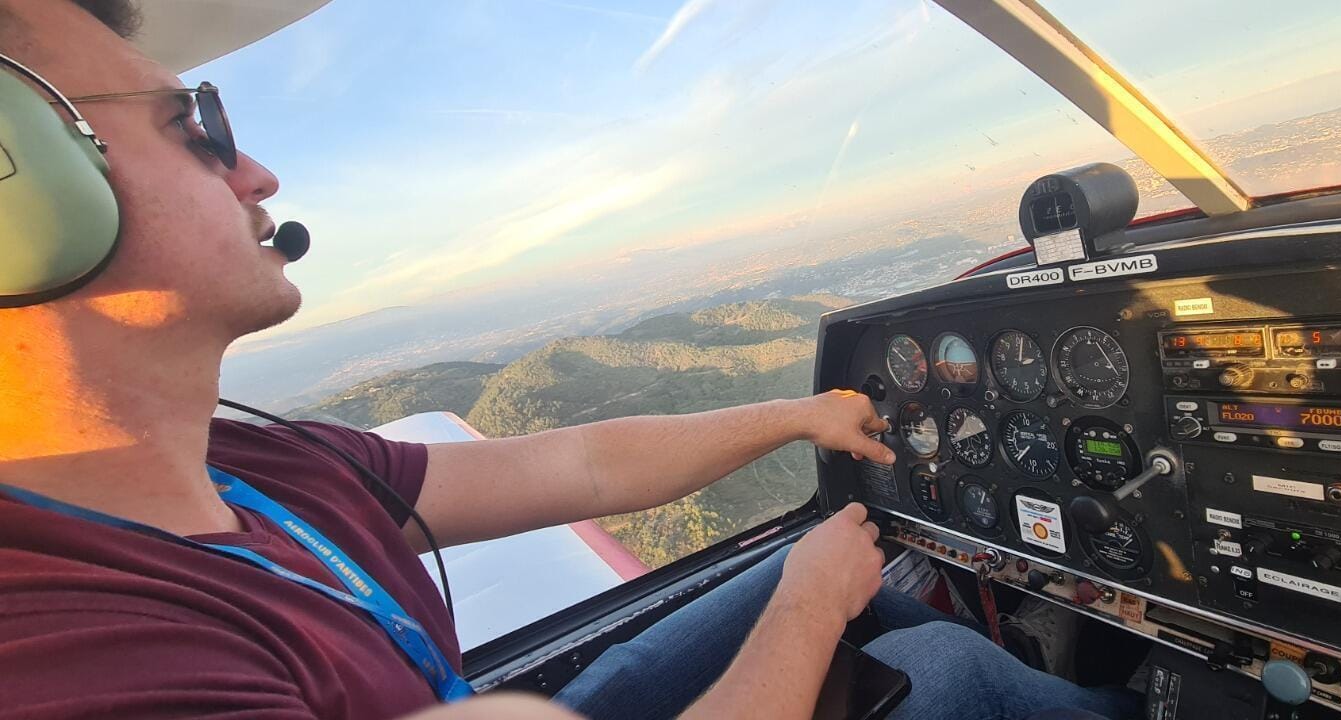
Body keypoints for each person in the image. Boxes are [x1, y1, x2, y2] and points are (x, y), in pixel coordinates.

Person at [0, 2, 1139, 718]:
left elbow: (588, 468)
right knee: (935, 670)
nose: (259, 179)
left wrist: (798, 419)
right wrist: (802, 613)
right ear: (27, 202)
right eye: (195, 126)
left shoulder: (250, 462)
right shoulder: (60, 652)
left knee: (877, 603)